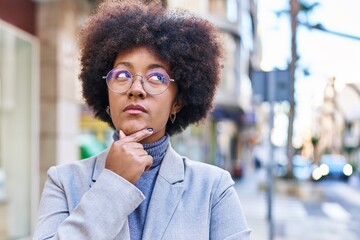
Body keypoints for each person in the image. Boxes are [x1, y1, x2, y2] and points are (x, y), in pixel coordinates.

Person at [33, 0, 251, 239]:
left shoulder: (213, 188)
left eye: (156, 77)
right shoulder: (64, 182)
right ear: (106, 92)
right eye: (123, 74)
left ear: (177, 102)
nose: (136, 88)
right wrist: (113, 184)